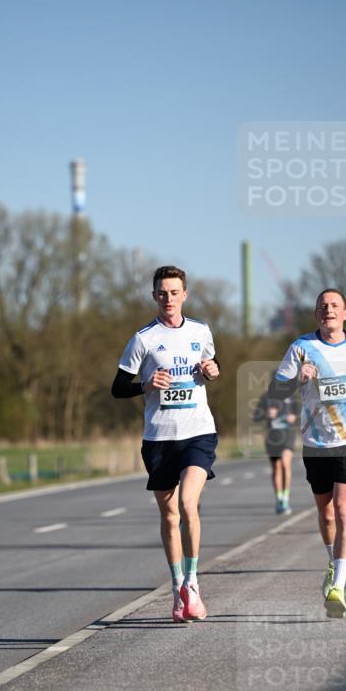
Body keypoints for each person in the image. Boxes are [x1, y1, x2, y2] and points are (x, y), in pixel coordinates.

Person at [111, 265, 219, 623]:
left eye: (174, 292)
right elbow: (118, 387)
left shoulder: (201, 331)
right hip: (159, 437)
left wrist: (213, 369)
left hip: (198, 432)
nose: (168, 299)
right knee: (169, 516)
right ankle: (176, 589)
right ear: (154, 296)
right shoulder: (142, 339)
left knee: (189, 503)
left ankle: (193, 584)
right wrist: (146, 385)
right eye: (162, 293)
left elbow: (211, 362)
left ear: (184, 295)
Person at [268, 289, 346, 618]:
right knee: (328, 513)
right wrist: (297, 379)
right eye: (322, 306)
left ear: (345, 313)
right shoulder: (302, 348)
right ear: (316, 314)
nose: (328, 310)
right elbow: (276, 392)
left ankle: (339, 586)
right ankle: (334, 564)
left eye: (334, 306)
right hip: (317, 444)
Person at [254, 375, 299, 514]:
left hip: (288, 435)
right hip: (272, 437)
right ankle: (279, 499)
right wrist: (266, 413)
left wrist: (295, 417)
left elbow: (305, 414)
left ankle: (285, 497)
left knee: (286, 464)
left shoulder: (293, 398)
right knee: (276, 468)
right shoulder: (265, 398)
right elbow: (256, 417)